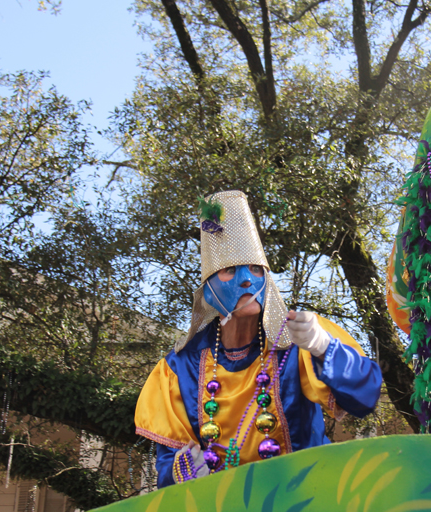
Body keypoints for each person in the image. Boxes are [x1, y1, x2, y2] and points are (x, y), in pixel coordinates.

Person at [134, 190, 382, 487]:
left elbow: (365, 398)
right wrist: (180, 471)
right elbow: (168, 462)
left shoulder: (298, 341)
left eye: (255, 268)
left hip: (309, 500)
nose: (247, 279)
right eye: (230, 270)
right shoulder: (178, 368)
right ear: (209, 291)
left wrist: (323, 347)